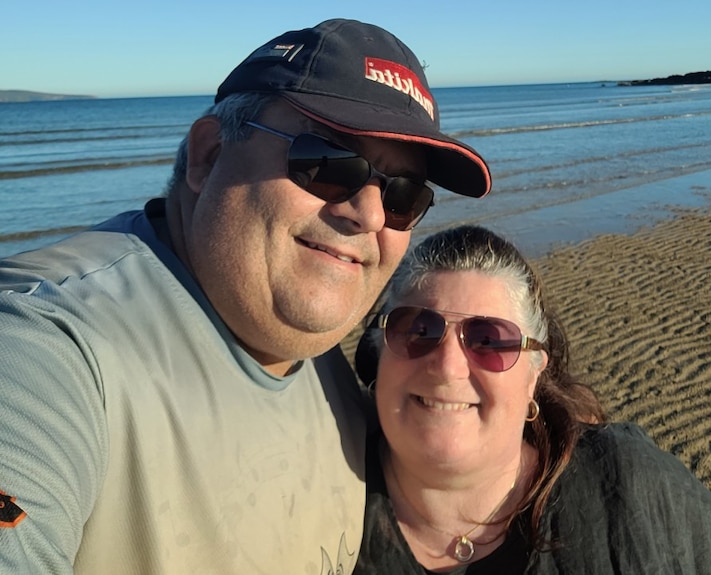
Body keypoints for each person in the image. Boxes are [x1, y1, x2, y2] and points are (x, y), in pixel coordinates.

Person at [0, 20, 491, 575]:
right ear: (209, 155)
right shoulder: (45, 349)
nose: (371, 215)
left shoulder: (323, 364)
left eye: (404, 194)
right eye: (328, 163)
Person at [352, 225, 711, 574]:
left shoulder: (628, 486)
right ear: (379, 351)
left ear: (533, 375)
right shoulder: (325, 499)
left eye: (488, 340)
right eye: (419, 330)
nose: (447, 366)